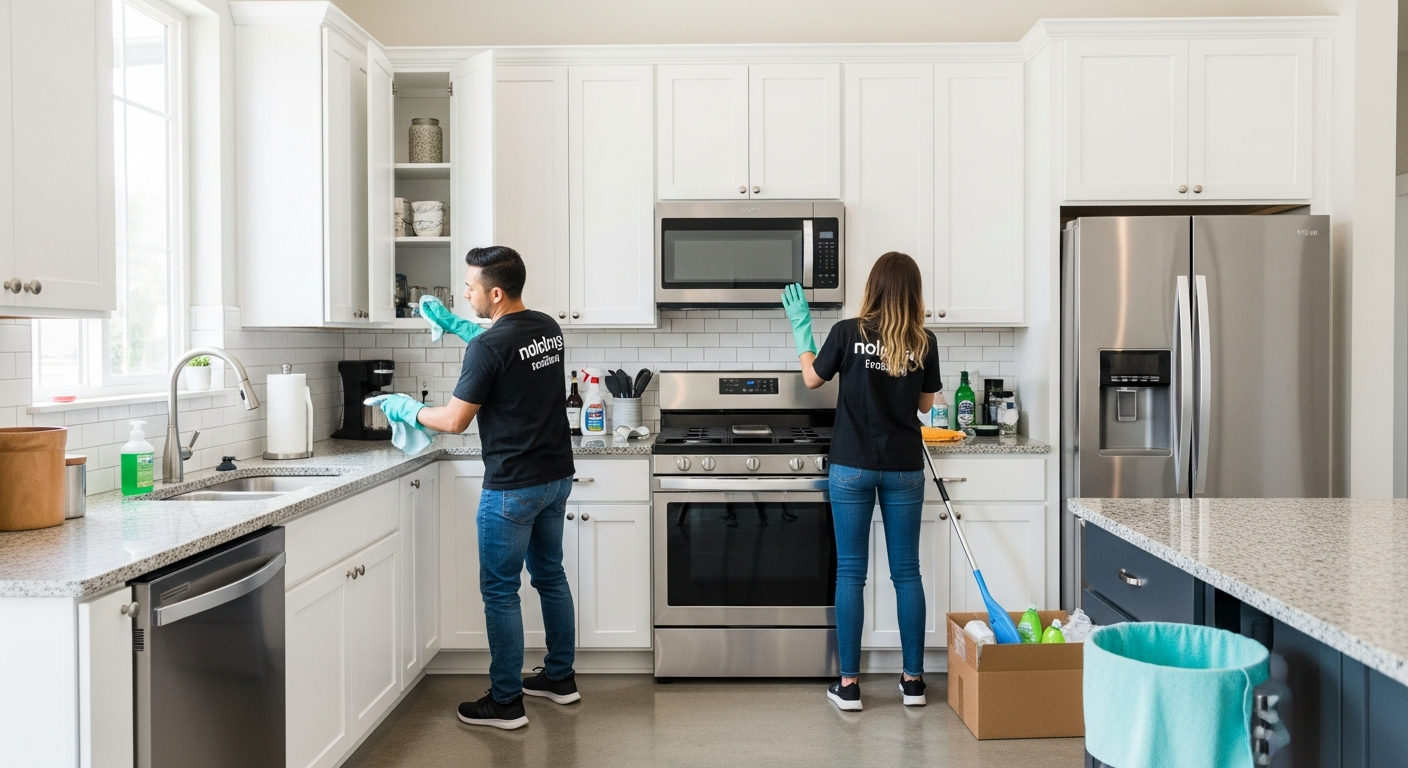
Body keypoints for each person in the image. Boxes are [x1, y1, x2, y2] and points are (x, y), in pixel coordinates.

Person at [372, 246, 579, 730]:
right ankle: (560, 678)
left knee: (501, 591)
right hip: (555, 478)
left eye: (470, 287)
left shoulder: (488, 347)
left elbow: (454, 420)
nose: (465, 294)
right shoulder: (547, 327)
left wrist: (405, 408)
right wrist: (458, 328)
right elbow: (507, 351)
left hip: (513, 487)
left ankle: (506, 702)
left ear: (496, 292)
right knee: (550, 576)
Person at [782, 252, 942, 712]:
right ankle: (913, 683)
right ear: (914, 293)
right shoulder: (923, 341)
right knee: (906, 572)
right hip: (904, 467)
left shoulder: (847, 332)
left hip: (851, 465)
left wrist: (801, 328)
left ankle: (849, 686)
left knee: (851, 572)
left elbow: (812, 379)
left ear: (873, 287)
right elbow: (926, 405)